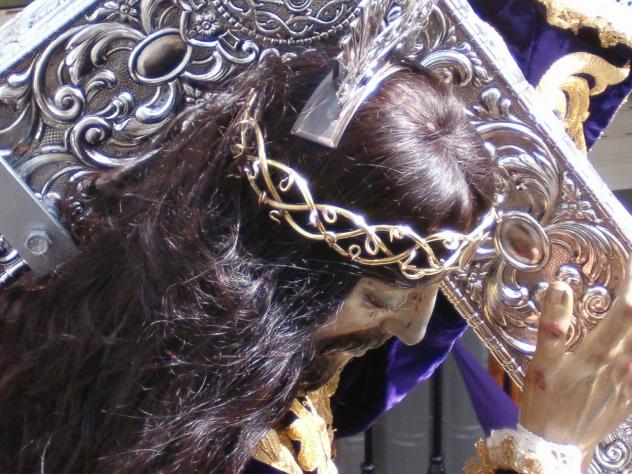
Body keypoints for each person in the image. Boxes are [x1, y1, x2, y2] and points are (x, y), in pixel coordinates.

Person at [0, 46, 630, 474]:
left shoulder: (201, 344)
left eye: (431, 291)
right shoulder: (166, 432)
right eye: (379, 298)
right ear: (269, 277)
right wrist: (546, 452)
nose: (414, 330)